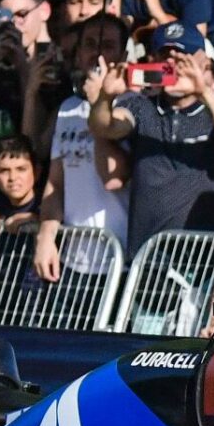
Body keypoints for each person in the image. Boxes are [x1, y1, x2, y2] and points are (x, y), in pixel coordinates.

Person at [89, 22, 214, 257]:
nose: (173, 65)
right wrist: (104, 97)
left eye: (183, 59)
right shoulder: (141, 106)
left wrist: (202, 90)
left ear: (203, 62)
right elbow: (106, 127)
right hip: (145, 258)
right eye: (164, 57)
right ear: (153, 59)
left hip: (203, 257)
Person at [32, 19, 131, 286]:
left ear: (123, 55)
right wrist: (46, 236)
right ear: (77, 54)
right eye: (89, 44)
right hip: (72, 259)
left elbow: (113, 177)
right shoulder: (67, 108)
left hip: (119, 260)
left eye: (108, 46)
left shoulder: (132, 107)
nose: (97, 53)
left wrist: (98, 104)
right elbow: (56, 183)